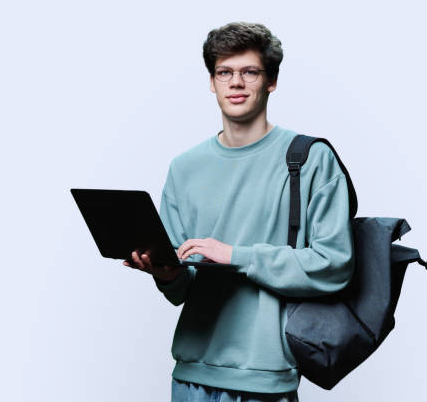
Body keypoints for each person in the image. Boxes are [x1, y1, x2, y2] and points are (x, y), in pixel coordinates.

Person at [123, 22, 355, 402]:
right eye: (225, 72)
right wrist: (165, 274)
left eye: (250, 72)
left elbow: (334, 265)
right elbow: (181, 290)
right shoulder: (184, 168)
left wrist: (234, 256)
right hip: (191, 374)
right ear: (212, 82)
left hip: (265, 378)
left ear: (271, 81)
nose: (236, 83)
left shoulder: (310, 159)